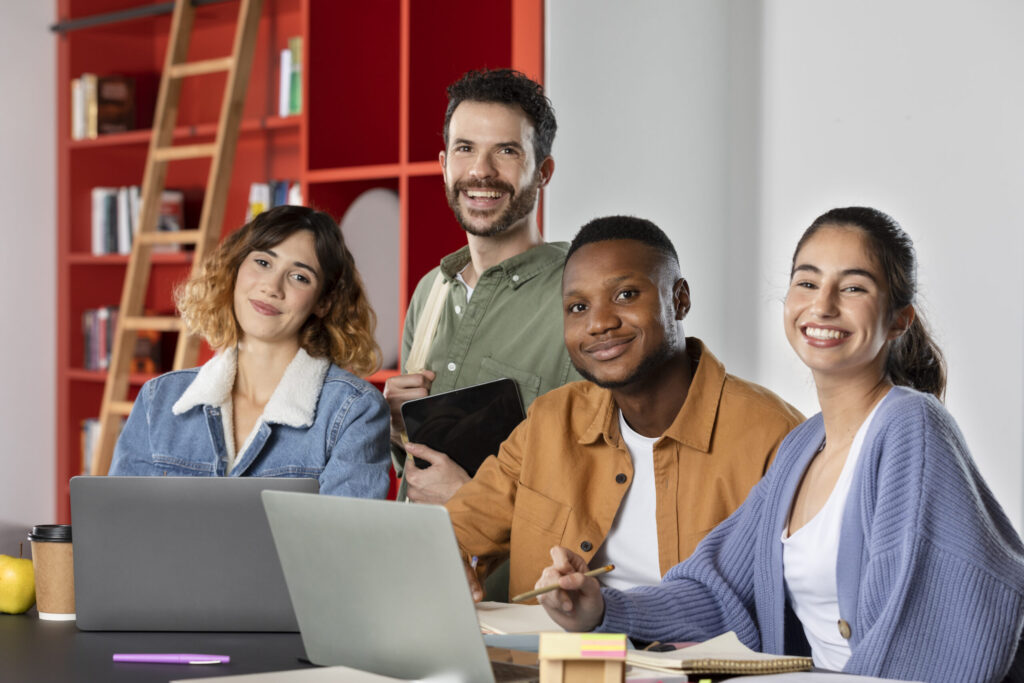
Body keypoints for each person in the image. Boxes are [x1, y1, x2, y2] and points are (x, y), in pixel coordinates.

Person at [536, 207, 1024, 682]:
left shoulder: (909, 428)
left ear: (898, 321)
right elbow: (720, 590)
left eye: (853, 287)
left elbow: (929, 638)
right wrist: (600, 605)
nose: (823, 305)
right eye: (807, 283)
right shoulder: (804, 447)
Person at [446, 215, 804, 601]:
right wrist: (446, 562)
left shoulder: (775, 436)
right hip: (548, 659)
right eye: (578, 307)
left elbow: (798, 602)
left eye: (626, 295)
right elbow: (451, 533)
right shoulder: (550, 422)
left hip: (696, 660)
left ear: (679, 299)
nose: (599, 323)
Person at [383, 68, 581, 505]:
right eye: (465, 148)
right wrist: (401, 427)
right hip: (418, 564)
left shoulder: (579, 296)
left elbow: (603, 481)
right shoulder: (430, 291)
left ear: (543, 171)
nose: (480, 171)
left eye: (506, 151)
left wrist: (474, 502)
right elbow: (414, 472)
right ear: (443, 163)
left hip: (515, 575)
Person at [110, 205, 392, 499]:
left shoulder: (354, 412)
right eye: (263, 262)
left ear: (324, 303)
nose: (272, 286)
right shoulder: (158, 400)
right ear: (235, 269)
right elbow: (117, 526)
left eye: (299, 277)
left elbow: (343, 540)